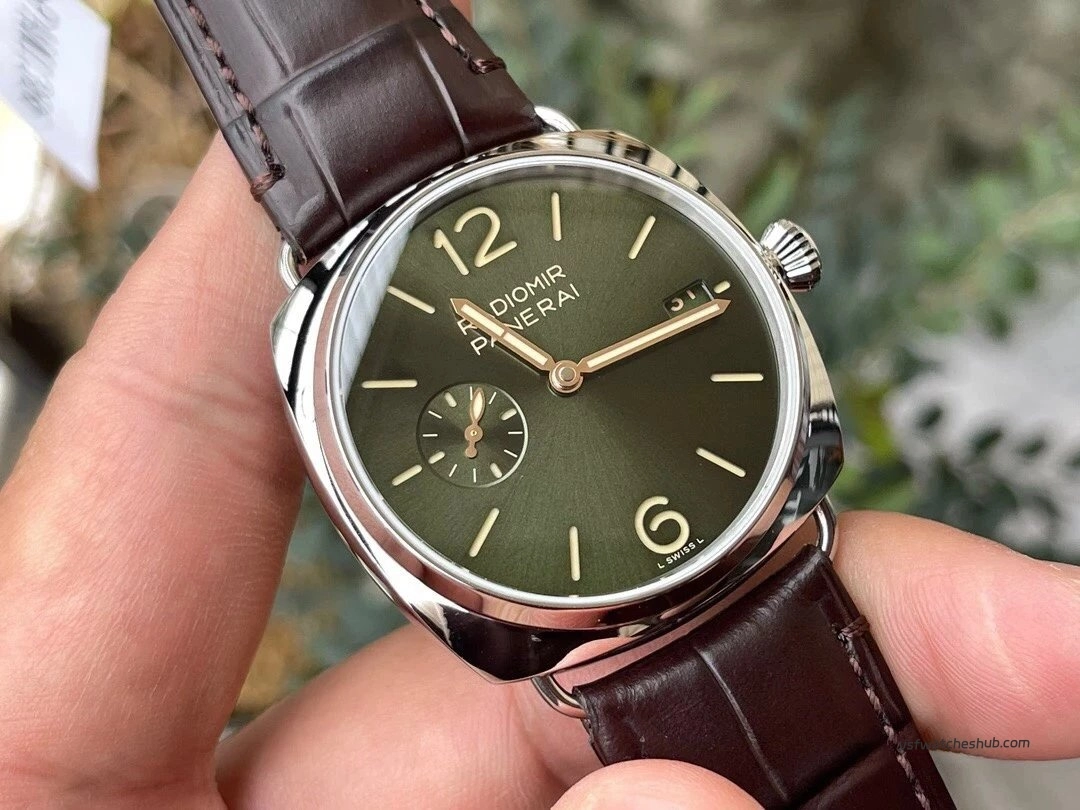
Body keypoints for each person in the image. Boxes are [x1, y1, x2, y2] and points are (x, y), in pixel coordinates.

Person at [1, 6, 1078, 808]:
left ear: (773, 269)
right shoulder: (326, 354)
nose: (566, 380)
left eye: (573, 373)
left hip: (746, 547)